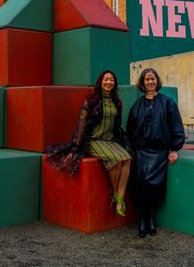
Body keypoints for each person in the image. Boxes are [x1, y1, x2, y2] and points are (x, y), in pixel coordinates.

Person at [46, 70, 132, 216]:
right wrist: (75, 148)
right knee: (117, 161)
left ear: (115, 83)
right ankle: (116, 196)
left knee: (127, 160)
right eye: (106, 79)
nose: (109, 82)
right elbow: (82, 125)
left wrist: (125, 143)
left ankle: (120, 198)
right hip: (93, 141)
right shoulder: (91, 101)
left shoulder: (116, 102)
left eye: (111, 80)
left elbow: (117, 127)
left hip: (110, 140)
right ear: (100, 82)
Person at [126, 68, 185, 238]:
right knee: (140, 184)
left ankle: (150, 215)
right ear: (143, 83)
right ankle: (143, 217)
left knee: (154, 186)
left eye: (153, 79)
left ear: (157, 81)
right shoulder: (137, 105)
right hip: (141, 152)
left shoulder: (168, 102)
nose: (150, 82)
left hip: (159, 152)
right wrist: (131, 150)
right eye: (147, 79)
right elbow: (130, 130)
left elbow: (176, 126)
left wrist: (174, 149)